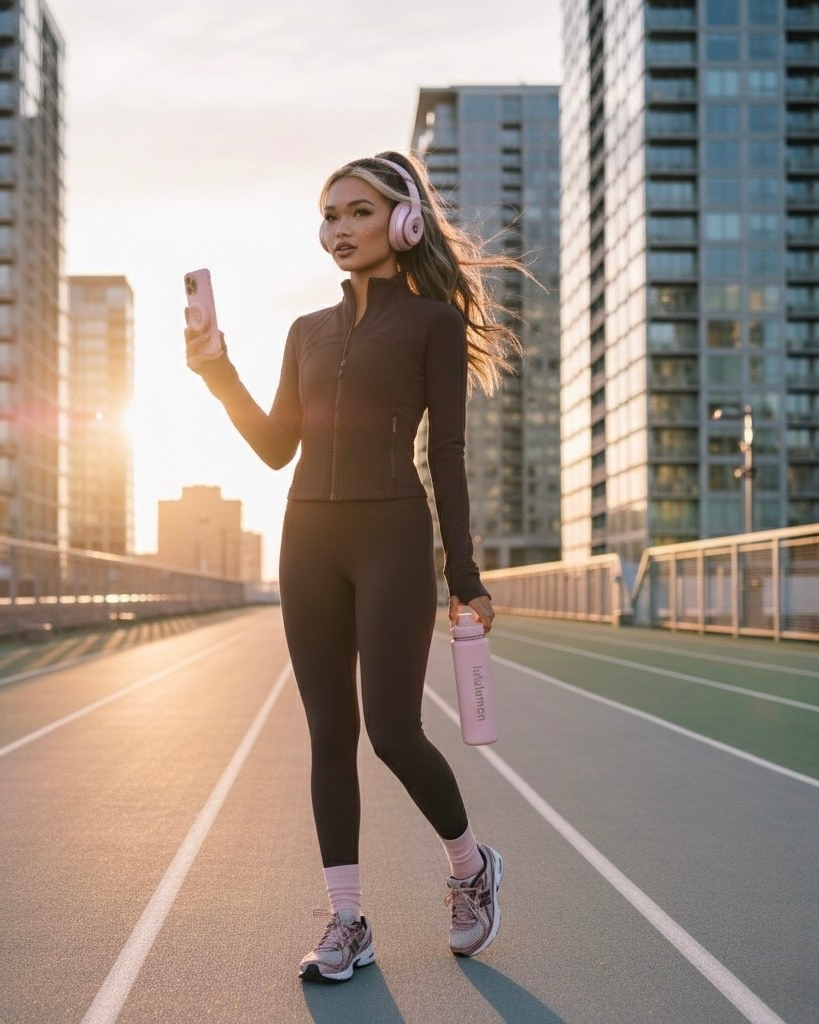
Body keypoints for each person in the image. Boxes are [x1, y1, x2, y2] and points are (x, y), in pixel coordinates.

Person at [185, 151, 527, 983]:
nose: (339, 228)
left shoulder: (432, 324)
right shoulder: (307, 331)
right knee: (327, 734)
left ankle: (471, 867)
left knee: (394, 731)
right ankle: (347, 922)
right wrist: (215, 368)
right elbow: (276, 448)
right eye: (330, 214)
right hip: (307, 540)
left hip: (394, 538)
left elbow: (447, 454)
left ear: (404, 222)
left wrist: (465, 576)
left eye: (359, 211)